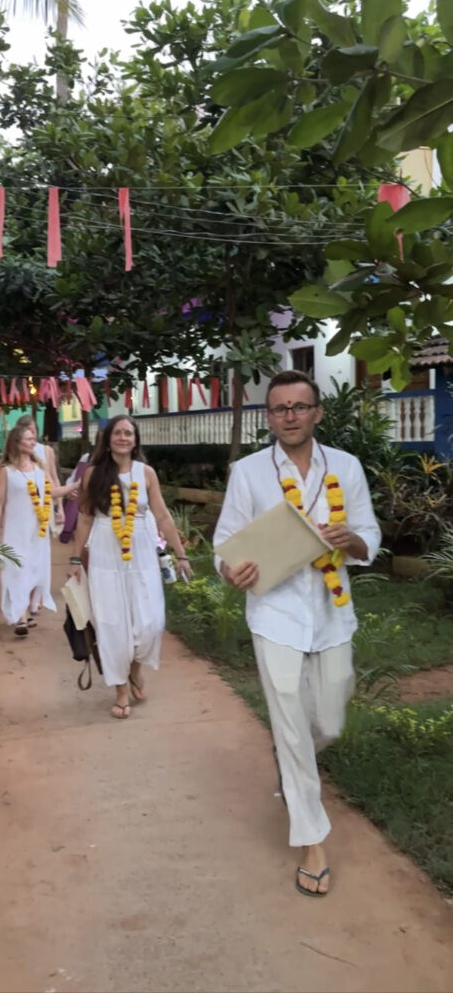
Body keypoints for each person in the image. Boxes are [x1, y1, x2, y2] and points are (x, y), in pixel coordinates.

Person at [213, 370, 381, 898]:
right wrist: (231, 570)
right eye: (280, 408)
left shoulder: (346, 467)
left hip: (333, 612)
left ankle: (294, 759)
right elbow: (225, 542)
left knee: (328, 718)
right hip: (275, 612)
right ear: (269, 417)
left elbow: (370, 536)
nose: (290, 416)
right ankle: (312, 841)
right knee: (289, 725)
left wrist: (350, 539)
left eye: (299, 406)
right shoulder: (248, 472)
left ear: (317, 413)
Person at [67, 415, 192, 719]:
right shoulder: (94, 473)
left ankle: (135, 669)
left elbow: (162, 516)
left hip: (141, 552)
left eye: (128, 433)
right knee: (111, 623)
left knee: (151, 623)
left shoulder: (146, 473)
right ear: (108, 439)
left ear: (135, 440)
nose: (123, 437)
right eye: (118, 433)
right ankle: (121, 690)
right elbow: (85, 517)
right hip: (105, 552)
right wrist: (75, 559)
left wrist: (181, 555)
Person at [0, 424, 79, 636]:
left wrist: (73, 486)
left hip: (37, 529)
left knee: (33, 569)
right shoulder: (6, 471)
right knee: (17, 570)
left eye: (33, 438)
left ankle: (26, 611)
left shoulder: (39, 468)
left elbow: (51, 492)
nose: (33, 442)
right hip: (15, 529)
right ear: (16, 442)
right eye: (29, 439)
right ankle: (21, 617)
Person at [16, 414, 65, 532]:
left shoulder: (47, 451)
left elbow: (54, 478)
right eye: (27, 432)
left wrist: (60, 507)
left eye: (33, 431)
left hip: (45, 503)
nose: (31, 436)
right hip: (22, 505)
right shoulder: (14, 453)